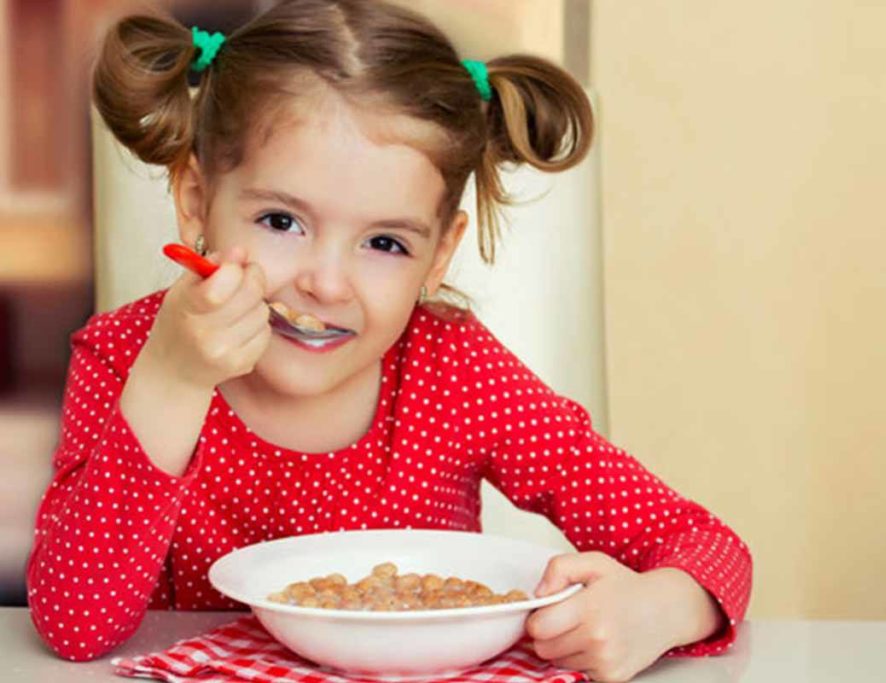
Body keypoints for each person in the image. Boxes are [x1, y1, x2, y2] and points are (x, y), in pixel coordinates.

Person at [26, 1, 751, 680]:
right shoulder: (127, 356)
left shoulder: (456, 372)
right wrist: (171, 380)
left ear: (439, 255)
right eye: (282, 221)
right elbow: (73, 623)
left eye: (384, 242)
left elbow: (709, 546)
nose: (327, 283)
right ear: (195, 202)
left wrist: (656, 608)